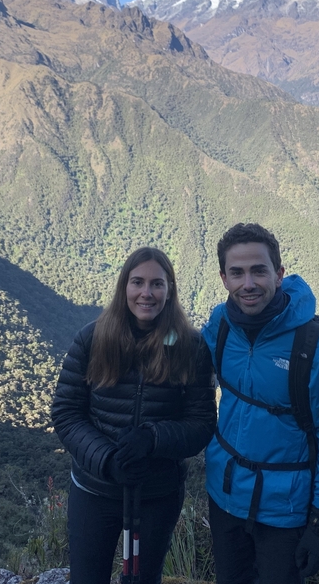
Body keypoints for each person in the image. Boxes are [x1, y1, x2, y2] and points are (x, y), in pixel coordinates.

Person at [203, 223, 319, 584]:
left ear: (279, 273)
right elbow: (183, 364)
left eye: (259, 270)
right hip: (224, 496)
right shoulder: (220, 325)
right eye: (237, 272)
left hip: (285, 510)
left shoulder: (318, 350)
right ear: (224, 278)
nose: (249, 284)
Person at [51, 247, 216, 584]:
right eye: (137, 282)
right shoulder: (92, 339)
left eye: (157, 284)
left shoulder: (191, 348)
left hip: (157, 494)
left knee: (142, 580)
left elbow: (201, 424)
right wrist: (107, 459)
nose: (146, 293)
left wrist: (153, 438)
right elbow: (66, 413)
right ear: (123, 286)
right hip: (94, 490)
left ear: (169, 289)